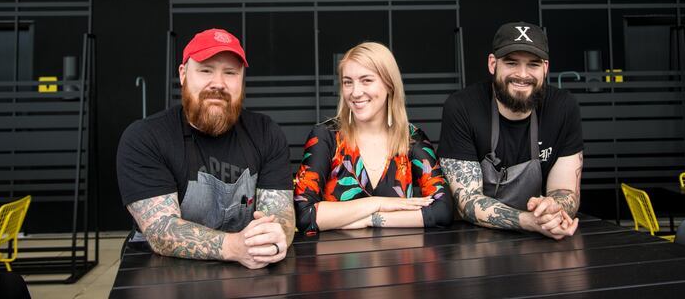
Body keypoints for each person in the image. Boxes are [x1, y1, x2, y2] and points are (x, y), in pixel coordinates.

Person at [116, 28, 294, 268]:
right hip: (161, 273)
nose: (218, 83)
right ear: (183, 74)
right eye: (206, 70)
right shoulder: (146, 138)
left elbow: (280, 213)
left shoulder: (265, 132)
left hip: (248, 266)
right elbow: (161, 230)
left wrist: (274, 237)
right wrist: (234, 246)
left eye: (230, 73)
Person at [438, 22, 583, 240]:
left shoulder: (563, 108)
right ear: (492, 64)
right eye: (511, 63)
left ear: (545, 67)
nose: (522, 75)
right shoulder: (462, 107)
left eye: (533, 65)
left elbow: (565, 191)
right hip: (475, 241)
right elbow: (467, 201)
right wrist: (528, 221)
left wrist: (553, 208)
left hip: (540, 240)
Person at [294, 42, 453, 234]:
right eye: (347, 82)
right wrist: (378, 203)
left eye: (366, 80)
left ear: (389, 84)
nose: (355, 92)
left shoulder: (411, 138)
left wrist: (371, 219)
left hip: (398, 260)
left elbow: (442, 211)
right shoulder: (325, 136)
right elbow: (304, 215)